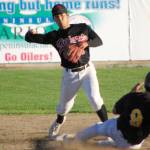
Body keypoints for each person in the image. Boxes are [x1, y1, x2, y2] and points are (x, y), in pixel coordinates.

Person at [25, 4, 108, 138]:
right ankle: (59, 121)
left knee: (95, 99)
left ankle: (108, 128)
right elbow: (29, 39)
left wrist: (86, 43)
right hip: (70, 75)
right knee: (64, 107)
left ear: (67, 16)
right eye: (57, 16)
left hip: (88, 71)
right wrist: (30, 33)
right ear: (54, 19)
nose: (60, 18)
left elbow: (98, 41)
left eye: (62, 15)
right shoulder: (54, 36)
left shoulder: (83, 28)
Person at [60, 72, 150, 149]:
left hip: (115, 129)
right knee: (114, 145)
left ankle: (72, 141)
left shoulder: (133, 96)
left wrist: (131, 94)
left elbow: (115, 111)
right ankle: (93, 146)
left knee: (98, 128)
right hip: (132, 145)